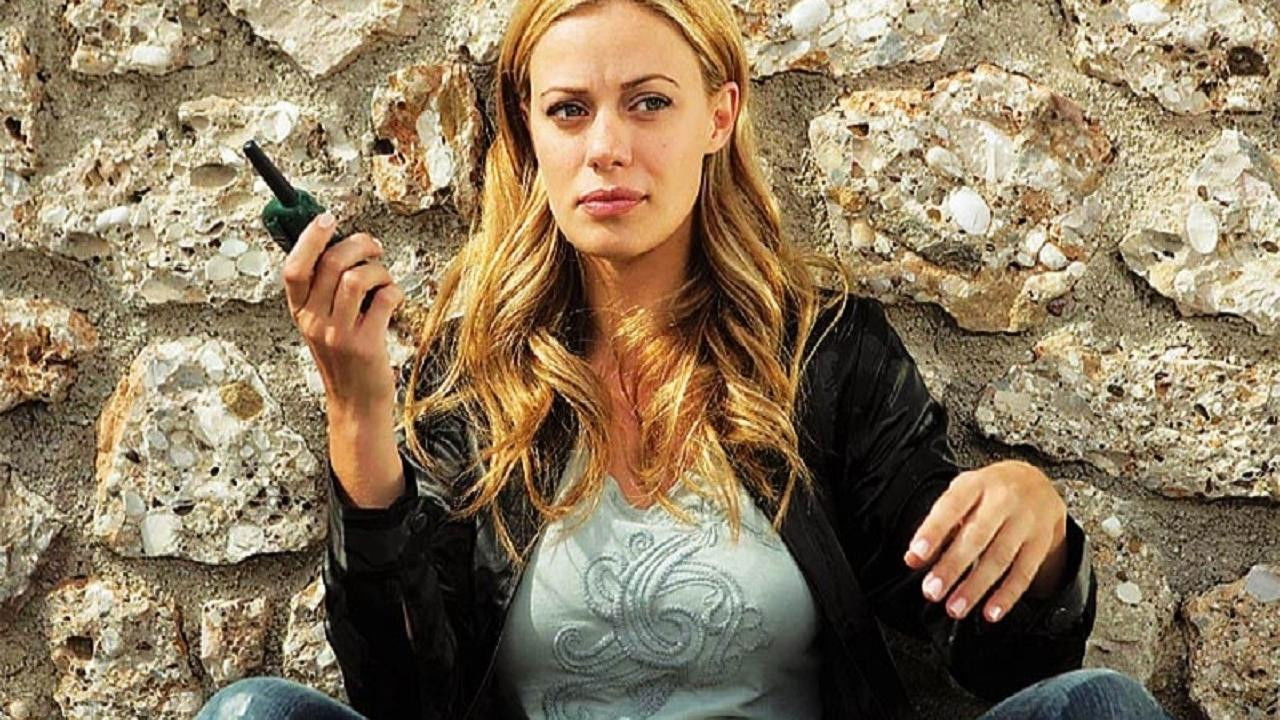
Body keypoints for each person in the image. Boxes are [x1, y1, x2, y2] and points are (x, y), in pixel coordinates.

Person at [196, 0, 1179, 718]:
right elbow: (407, 700)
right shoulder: (474, 373)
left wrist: (1034, 532)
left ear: (717, 114)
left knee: (1097, 707)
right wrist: (359, 416)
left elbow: (998, 662)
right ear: (530, 135)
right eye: (569, 110)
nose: (607, 147)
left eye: (648, 102)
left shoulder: (820, 351)